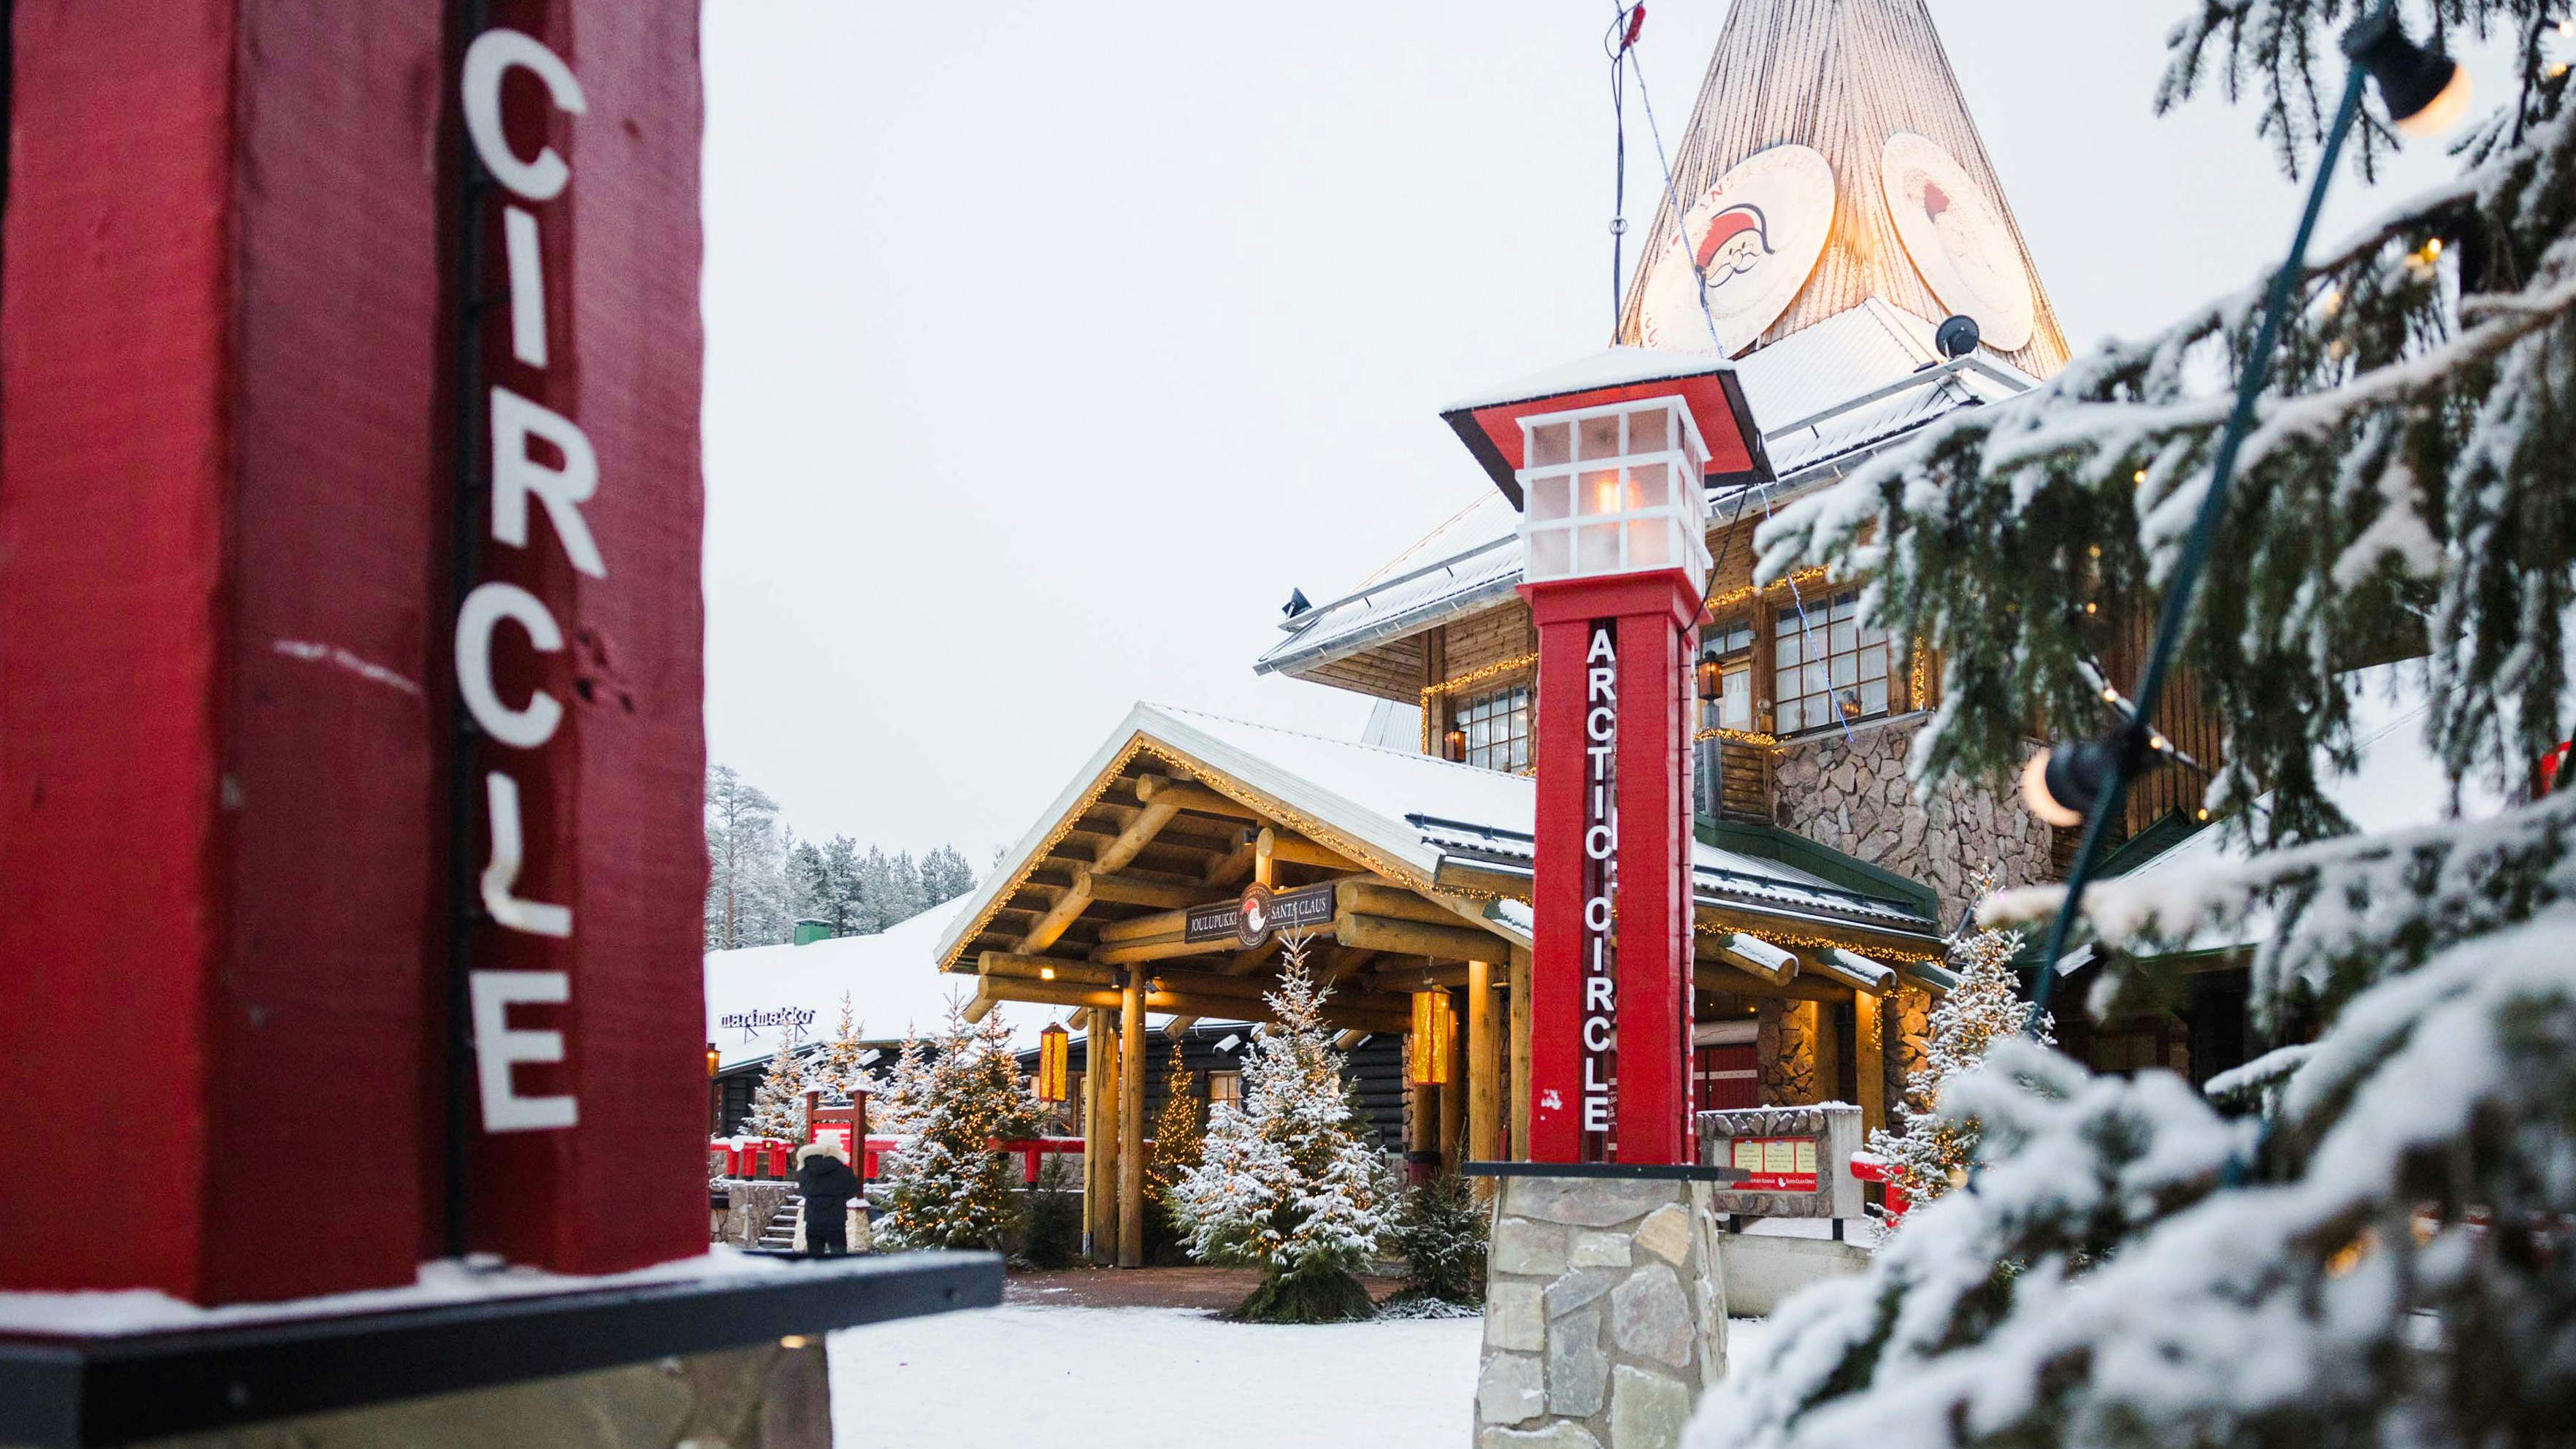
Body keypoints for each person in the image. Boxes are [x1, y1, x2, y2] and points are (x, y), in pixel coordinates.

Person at [793, 1138, 860, 1258]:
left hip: (813, 1219)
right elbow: (853, 1191)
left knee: (814, 1258)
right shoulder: (844, 1171)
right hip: (836, 1220)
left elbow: (803, 1191)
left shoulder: (806, 1170)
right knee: (839, 1259)